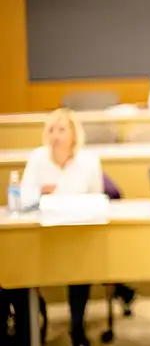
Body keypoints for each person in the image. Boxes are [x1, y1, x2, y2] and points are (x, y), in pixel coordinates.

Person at [20, 108, 103, 346]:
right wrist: (39, 193)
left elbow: (97, 196)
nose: (55, 135)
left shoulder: (89, 160)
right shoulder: (37, 158)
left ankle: (77, 325)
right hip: (44, 232)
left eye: (62, 129)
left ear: (74, 134)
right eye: (51, 130)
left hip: (78, 231)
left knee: (80, 270)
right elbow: (24, 197)